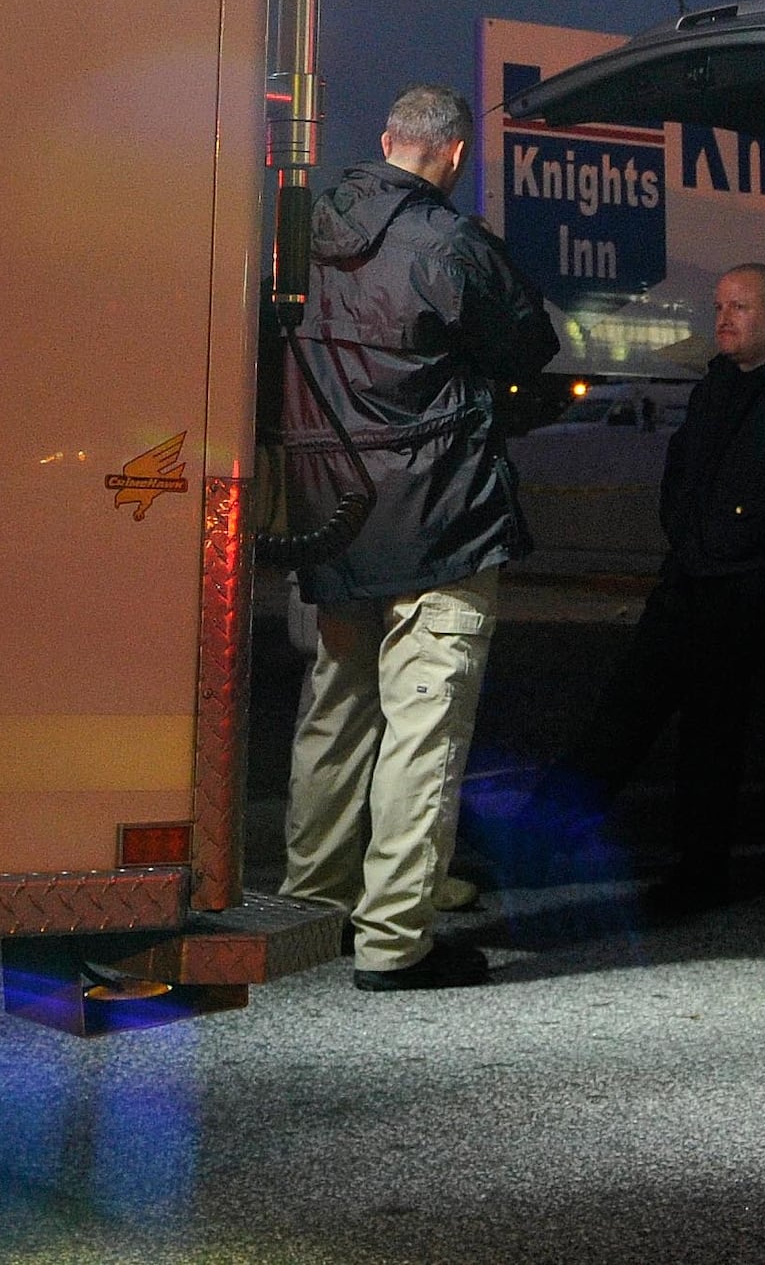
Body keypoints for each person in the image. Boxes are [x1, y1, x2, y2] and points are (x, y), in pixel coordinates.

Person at [281, 82, 560, 993]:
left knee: (335, 710)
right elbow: (528, 345)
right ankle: (396, 935)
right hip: (438, 510)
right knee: (422, 722)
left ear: (385, 138)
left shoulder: (301, 232)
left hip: (331, 509)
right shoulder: (449, 242)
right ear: (453, 153)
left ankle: (311, 904)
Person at [525, 262, 765, 916]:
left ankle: (699, 873)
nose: (723, 318)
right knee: (624, 709)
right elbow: (682, 479)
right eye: (719, 305)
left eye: (740, 306)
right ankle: (537, 840)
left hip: (753, 584)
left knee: (712, 725)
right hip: (693, 576)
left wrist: (750, 549)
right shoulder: (717, 386)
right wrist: (692, 540)